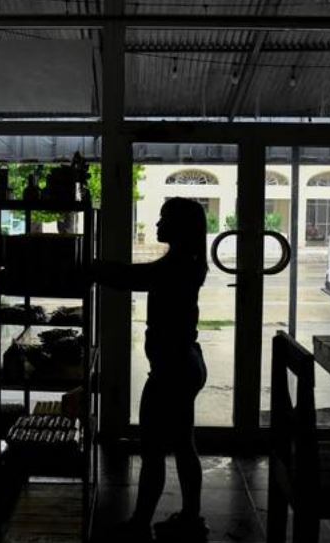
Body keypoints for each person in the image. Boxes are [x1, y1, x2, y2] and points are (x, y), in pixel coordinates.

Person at [91, 197, 210, 542]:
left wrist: (93, 267)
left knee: (153, 450)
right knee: (183, 445)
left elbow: (132, 277)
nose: (157, 225)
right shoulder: (187, 261)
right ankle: (190, 517)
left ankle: (140, 523)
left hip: (171, 370)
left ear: (180, 227)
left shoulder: (176, 266)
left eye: (163, 219)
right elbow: (138, 275)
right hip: (186, 362)